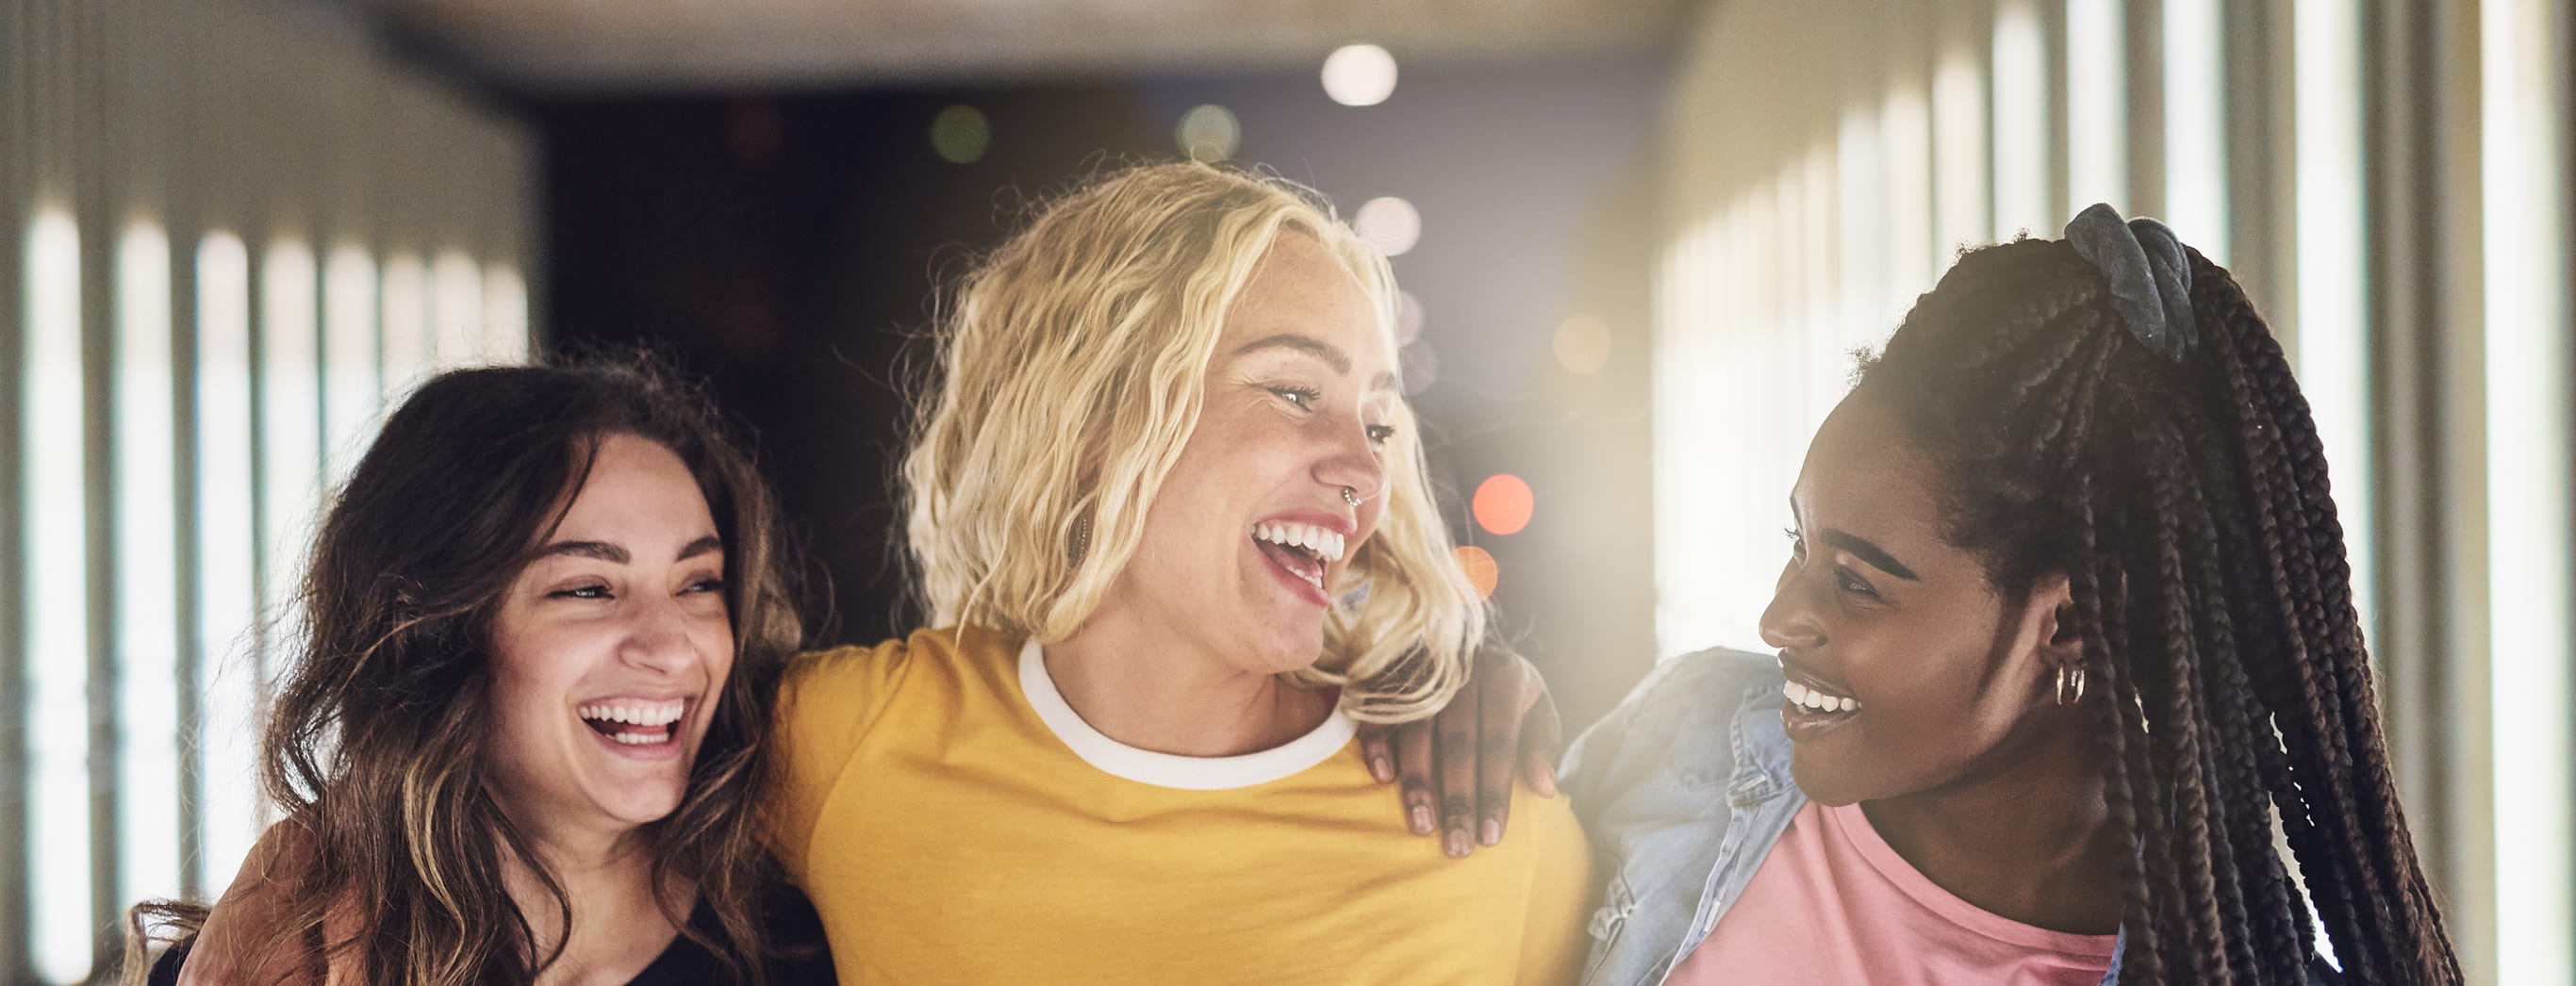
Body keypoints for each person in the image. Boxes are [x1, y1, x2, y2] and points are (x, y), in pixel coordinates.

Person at [1563, 205, 2461, 985]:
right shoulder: (1690, 736)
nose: (1777, 618)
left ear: (2067, 622)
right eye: (1799, 544)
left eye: (1855, 582)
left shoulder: (2229, 963)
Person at [768, 162, 1593, 983]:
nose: (1363, 471)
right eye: (1294, 392)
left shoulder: (1491, 827)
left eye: (1377, 426)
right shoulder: (843, 746)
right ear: (1091, 420)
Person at [157, 360, 832, 984]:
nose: (674, 648)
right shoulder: (245, 966)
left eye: (699, 583)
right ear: (438, 632)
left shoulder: (803, 954)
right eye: (588, 589)